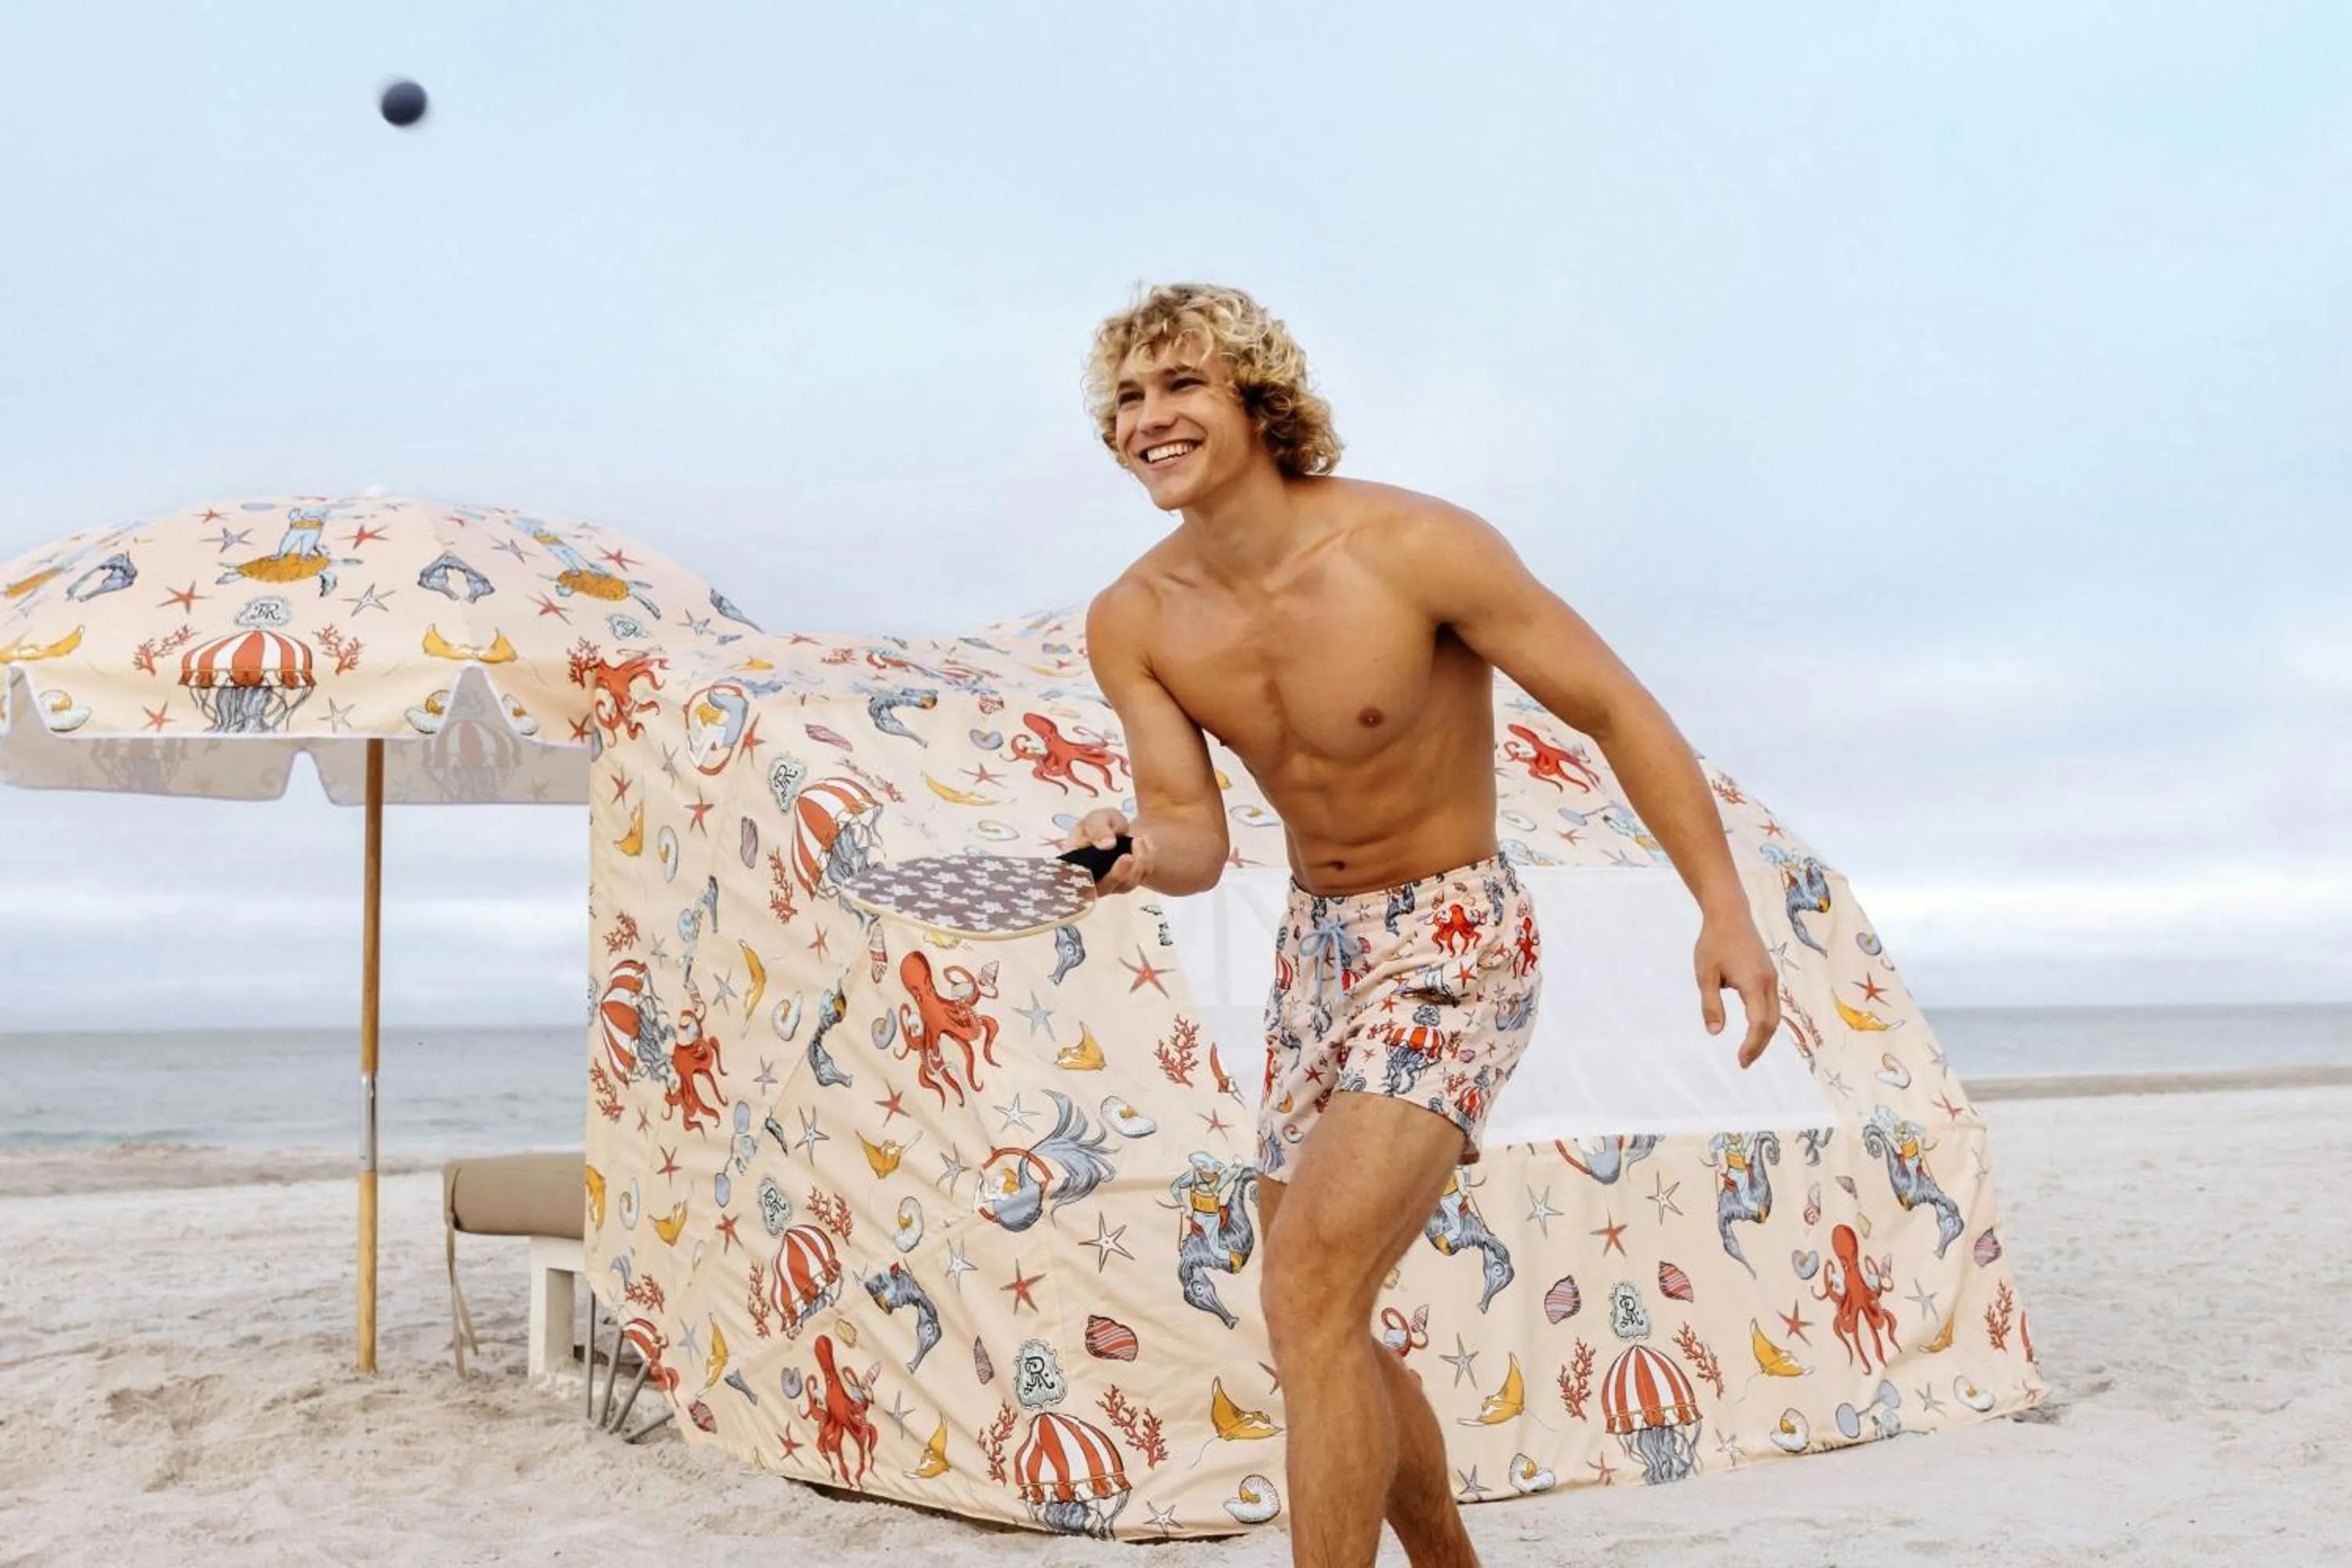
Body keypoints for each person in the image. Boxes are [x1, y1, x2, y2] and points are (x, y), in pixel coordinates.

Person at [1069, 282, 1778, 1568]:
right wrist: (1123, 855)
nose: (1148, 419)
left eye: (1182, 387)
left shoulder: (1416, 548)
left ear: (1256, 402)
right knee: (1315, 1313)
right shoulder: (1135, 619)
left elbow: (1616, 707)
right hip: (1315, 953)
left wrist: (1723, 910)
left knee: (1306, 1287)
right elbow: (1191, 834)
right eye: (1127, 397)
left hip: (1455, 939)